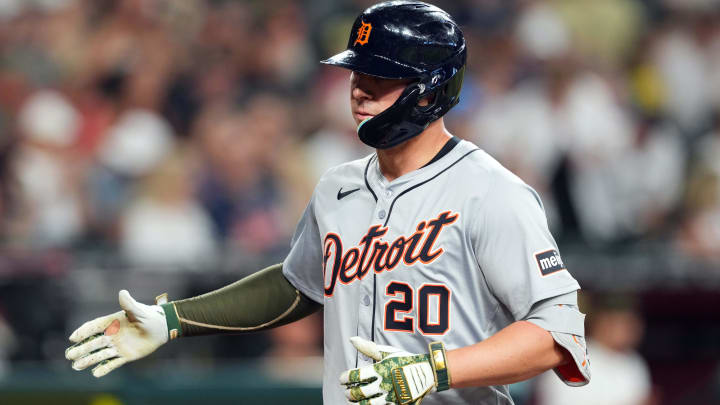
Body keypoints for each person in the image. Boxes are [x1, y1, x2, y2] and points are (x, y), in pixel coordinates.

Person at [65, 2, 590, 404]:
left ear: (430, 91)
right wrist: (172, 320)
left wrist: (435, 368)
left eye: (379, 77)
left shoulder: (491, 192)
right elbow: (298, 285)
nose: (358, 90)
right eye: (356, 74)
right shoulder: (336, 187)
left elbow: (556, 333)